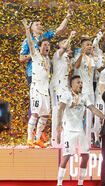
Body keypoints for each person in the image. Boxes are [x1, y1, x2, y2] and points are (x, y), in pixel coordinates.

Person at [55, 75, 105, 186]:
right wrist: (58, 125)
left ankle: (80, 185)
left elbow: (93, 109)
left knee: (86, 155)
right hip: (69, 131)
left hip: (80, 131)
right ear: (71, 85)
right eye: (78, 82)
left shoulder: (84, 97)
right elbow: (61, 109)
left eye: (81, 83)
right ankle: (59, 185)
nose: (80, 84)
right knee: (66, 156)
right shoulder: (66, 95)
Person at [20, 10, 72, 85]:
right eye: (36, 25)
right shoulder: (27, 41)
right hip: (32, 72)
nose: (39, 26)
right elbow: (21, 58)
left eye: (40, 24)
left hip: (45, 71)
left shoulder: (45, 36)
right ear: (31, 28)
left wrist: (67, 17)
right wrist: (35, 53)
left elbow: (59, 29)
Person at [22, 19, 51, 148]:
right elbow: (30, 42)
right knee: (35, 113)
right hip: (36, 90)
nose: (46, 47)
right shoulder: (35, 55)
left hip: (45, 91)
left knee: (45, 114)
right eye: (44, 45)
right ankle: (29, 139)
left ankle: (38, 139)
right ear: (39, 47)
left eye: (48, 45)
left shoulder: (47, 59)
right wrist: (27, 30)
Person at [50, 31, 76, 147]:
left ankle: (64, 137)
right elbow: (65, 48)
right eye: (64, 42)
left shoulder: (67, 57)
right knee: (57, 111)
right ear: (59, 45)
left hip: (64, 87)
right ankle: (54, 139)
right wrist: (70, 36)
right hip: (57, 86)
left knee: (65, 111)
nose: (67, 44)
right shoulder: (57, 54)